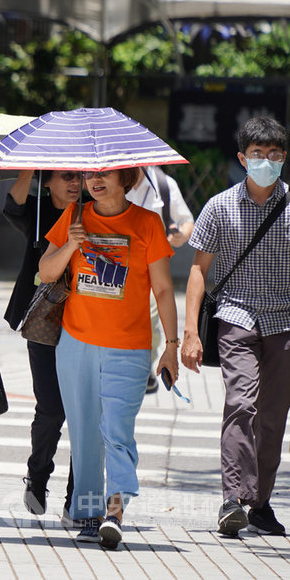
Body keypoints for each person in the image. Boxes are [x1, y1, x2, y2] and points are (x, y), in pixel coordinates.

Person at [38, 167, 179, 550]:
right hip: (76, 344)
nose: (94, 182)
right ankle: (87, 513)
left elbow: (164, 290)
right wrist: (70, 244)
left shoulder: (147, 222)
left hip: (129, 347)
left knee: (117, 431)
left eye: (105, 175)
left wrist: (171, 345)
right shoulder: (74, 216)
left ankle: (114, 511)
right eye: (89, 176)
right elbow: (45, 271)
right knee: (84, 434)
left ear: (127, 179)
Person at [181, 116, 290, 538]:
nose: (267, 161)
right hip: (236, 316)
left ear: (284, 158)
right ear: (243, 159)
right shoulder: (219, 206)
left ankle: (259, 503)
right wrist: (190, 333)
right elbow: (197, 272)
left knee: (274, 418)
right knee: (241, 404)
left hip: (283, 322)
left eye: (275, 155)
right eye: (259, 155)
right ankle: (233, 500)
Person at [3, 170, 80, 522]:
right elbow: (14, 204)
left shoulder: (93, 211)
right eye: (65, 177)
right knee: (51, 409)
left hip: (88, 319)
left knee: (85, 415)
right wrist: (28, 171)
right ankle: (37, 476)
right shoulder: (37, 211)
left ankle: (77, 494)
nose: (74, 183)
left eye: (79, 176)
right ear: (47, 182)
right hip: (44, 321)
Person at [126, 166, 196, 393]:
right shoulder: (111, 179)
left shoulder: (163, 184)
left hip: (151, 268)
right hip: (117, 264)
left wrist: (180, 236)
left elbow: (186, 221)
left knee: (151, 319)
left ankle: (144, 368)